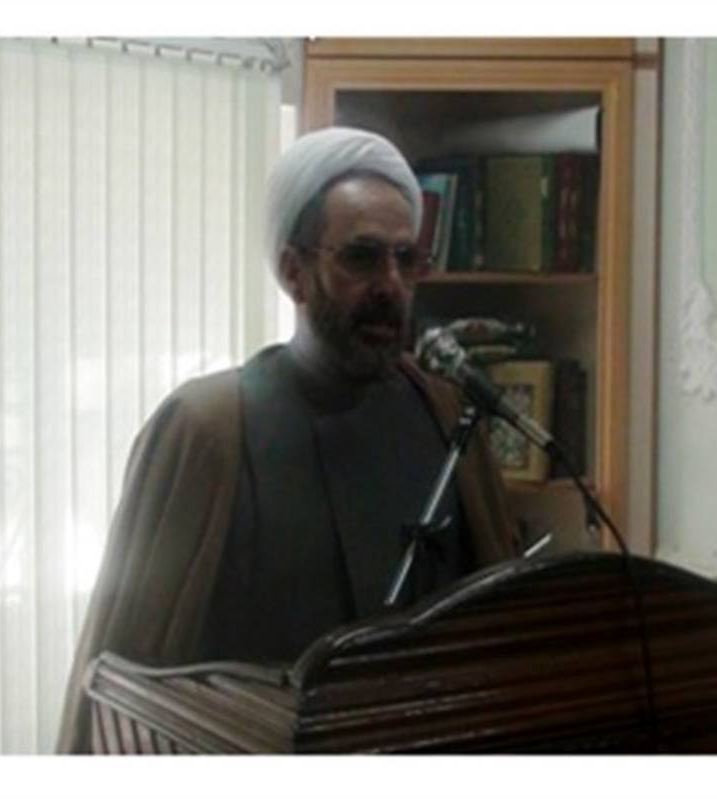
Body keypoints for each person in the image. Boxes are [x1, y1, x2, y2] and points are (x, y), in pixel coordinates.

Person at [55, 127, 517, 753]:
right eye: (362, 258)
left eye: (406, 260)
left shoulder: (446, 414)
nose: (390, 285)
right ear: (294, 272)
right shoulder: (206, 430)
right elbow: (122, 677)